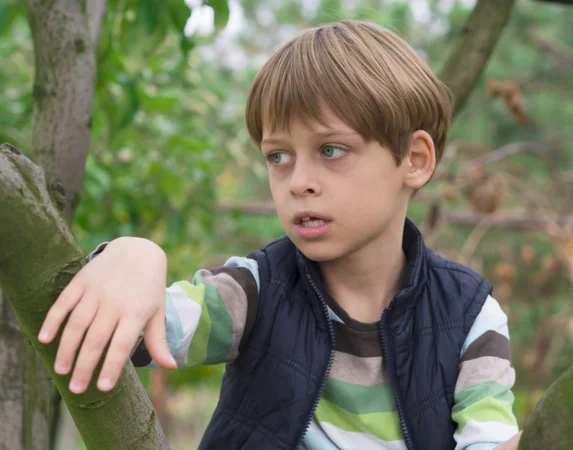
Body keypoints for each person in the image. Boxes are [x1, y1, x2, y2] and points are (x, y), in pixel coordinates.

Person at [38, 20, 522, 450]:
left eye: (331, 150)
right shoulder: (252, 291)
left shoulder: (469, 315)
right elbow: (135, 328)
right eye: (278, 156)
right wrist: (129, 256)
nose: (297, 181)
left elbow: (489, 439)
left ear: (414, 160)